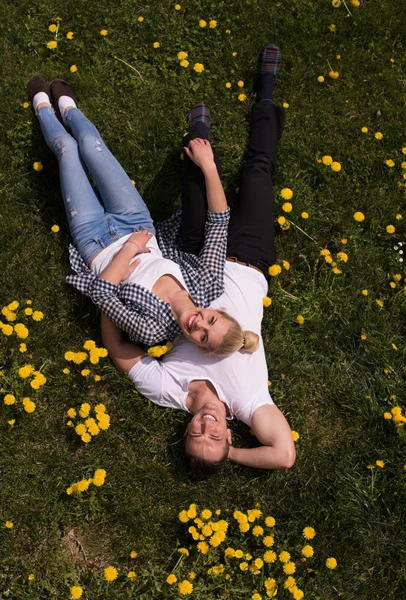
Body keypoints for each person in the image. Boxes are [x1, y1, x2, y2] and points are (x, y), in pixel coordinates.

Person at [101, 44, 296, 476]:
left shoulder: (172, 392)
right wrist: (232, 456)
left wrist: (110, 290)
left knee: (195, 168)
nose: (207, 426)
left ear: (187, 428)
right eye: (216, 437)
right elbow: (284, 455)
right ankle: (266, 92)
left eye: (198, 434)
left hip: (196, 253)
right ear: (229, 435)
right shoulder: (249, 403)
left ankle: (199, 133)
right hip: (249, 256)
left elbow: (120, 350)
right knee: (258, 172)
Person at [28, 76, 258, 354]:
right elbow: (218, 224)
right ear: (216, 311)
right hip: (134, 219)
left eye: (204, 337)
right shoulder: (207, 284)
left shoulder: (152, 330)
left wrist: (130, 250)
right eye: (211, 320)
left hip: (94, 243)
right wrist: (208, 166)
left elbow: (101, 293)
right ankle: (68, 107)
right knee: (90, 144)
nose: (199, 325)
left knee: (67, 150)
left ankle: (41, 106)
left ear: (199, 347)